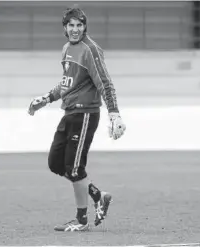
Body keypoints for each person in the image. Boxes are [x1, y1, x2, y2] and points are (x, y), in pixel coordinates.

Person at [28, 6, 126, 232]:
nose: (75, 29)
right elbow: (66, 83)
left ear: (84, 27)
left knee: (74, 168)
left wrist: (114, 113)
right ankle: (98, 196)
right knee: (55, 163)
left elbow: (105, 82)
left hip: (85, 114)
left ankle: (82, 220)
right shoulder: (66, 49)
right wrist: (46, 99)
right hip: (69, 113)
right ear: (64, 28)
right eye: (71, 25)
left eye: (79, 25)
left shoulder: (90, 49)